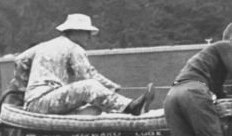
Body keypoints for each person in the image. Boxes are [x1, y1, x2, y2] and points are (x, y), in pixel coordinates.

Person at [15, 14, 152, 116]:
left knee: (93, 108)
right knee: (89, 87)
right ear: (76, 31)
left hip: (36, 102)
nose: (89, 37)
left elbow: (20, 60)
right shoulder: (74, 48)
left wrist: (22, 93)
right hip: (45, 102)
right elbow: (88, 77)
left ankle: (123, 107)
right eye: (87, 33)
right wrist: (111, 87)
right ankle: (131, 107)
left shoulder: (44, 45)